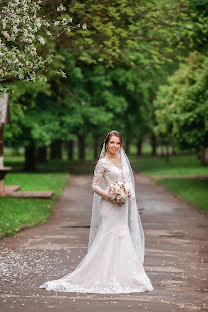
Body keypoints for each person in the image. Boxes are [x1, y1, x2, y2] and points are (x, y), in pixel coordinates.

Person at [39, 130, 153, 293]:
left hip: (122, 204)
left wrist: (128, 194)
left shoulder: (123, 160)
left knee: (122, 235)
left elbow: (127, 181)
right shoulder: (102, 163)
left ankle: (126, 276)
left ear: (121, 145)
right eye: (112, 142)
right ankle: (102, 275)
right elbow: (95, 186)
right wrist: (110, 195)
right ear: (106, 144)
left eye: (118, 143)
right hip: (108, 205)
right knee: (108, 237)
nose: (115, 146)